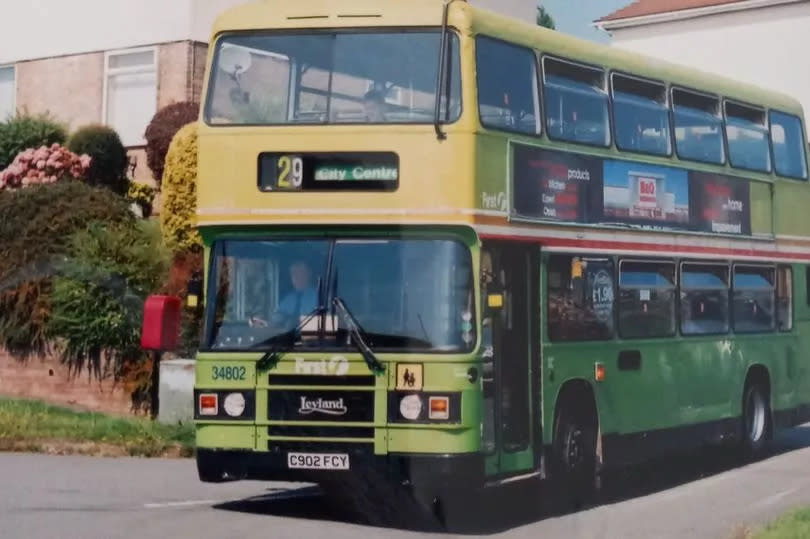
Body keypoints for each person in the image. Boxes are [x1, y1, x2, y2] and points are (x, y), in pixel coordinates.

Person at [249, 260, 318, 328]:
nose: (295, 277)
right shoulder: (288, 300)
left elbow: (324, 325)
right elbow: (275, 323)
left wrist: (297, 322)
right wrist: (262, 324)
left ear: (309, 273)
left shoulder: (320, 298)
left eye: (300, 273)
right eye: (293, 273)